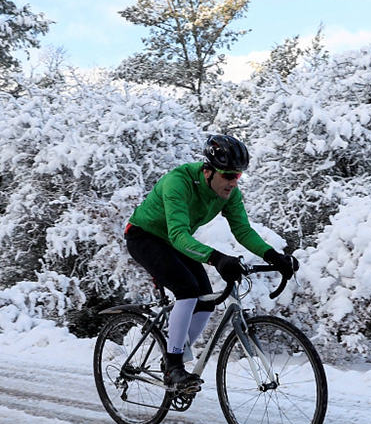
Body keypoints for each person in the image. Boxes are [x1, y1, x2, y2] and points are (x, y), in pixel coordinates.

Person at [124, 134, 298, 393]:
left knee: (206, 299)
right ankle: (173, 366)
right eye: (228, 175)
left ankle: (176, 356)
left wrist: (273, 257)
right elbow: (178, 234)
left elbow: (243, 231)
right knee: (186, 290)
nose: (233, 182)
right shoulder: (178, 183)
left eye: (238, 176)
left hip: (175, 240)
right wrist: (217, 258)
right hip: (144, 236)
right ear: (208, 171)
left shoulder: (229, 193)